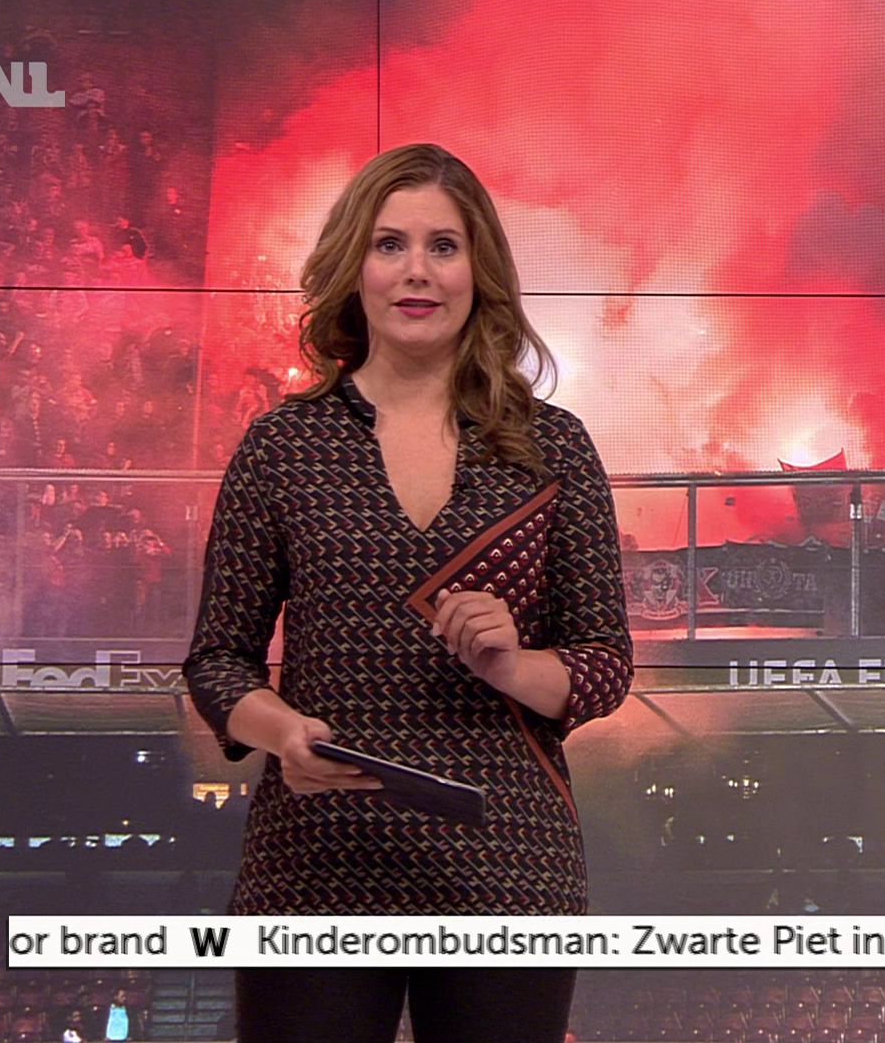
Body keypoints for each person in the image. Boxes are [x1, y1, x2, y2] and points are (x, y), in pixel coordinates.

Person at [183, 145, 633, 1043]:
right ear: (354, 269)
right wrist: (282, 733)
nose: (417, 271)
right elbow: (219, 660)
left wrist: (512, 665)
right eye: (390, 245)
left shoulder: (554, 448)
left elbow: (605, 665)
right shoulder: (283, 447)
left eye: (443, 246)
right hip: (314, 868)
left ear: (480, 272)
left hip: (507, 869)